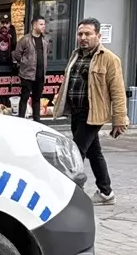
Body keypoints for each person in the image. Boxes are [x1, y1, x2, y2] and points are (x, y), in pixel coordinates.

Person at [50, 17, 128, 205]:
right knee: (94, 152)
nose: (83, 37)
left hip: (92, 112)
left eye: (88, 34)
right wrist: (59, 101)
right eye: (80, 34)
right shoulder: (76, 54)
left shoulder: (109, 59)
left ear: (98, 36)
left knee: (75, 152)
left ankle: (70, 193)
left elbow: (117, 90)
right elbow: (68, 81)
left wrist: (120, 119)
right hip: (76, 111)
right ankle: (106, 192)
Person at [13, 16, 50, 122]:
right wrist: (25, 63)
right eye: (41, 24)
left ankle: (37, 121)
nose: (44, 26)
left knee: (37, 99)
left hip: (40, 75)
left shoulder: (45, 40)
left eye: (44, 24)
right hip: (27, 75)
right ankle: (21, 120)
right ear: (34, 25)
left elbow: (46, 54)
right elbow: (17, 54)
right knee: (24, 98)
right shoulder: (25, 39)